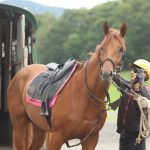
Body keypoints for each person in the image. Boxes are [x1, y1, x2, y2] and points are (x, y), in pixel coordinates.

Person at [112, 59, 150, 150]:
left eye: (135, 70)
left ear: (143, 74)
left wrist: (141, 82)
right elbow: (113, 75)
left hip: (137, 139)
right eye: (131, 69)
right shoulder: (126, 86)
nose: (131, 72)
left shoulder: (147, 91)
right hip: (123, 136)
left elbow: (148, 99)